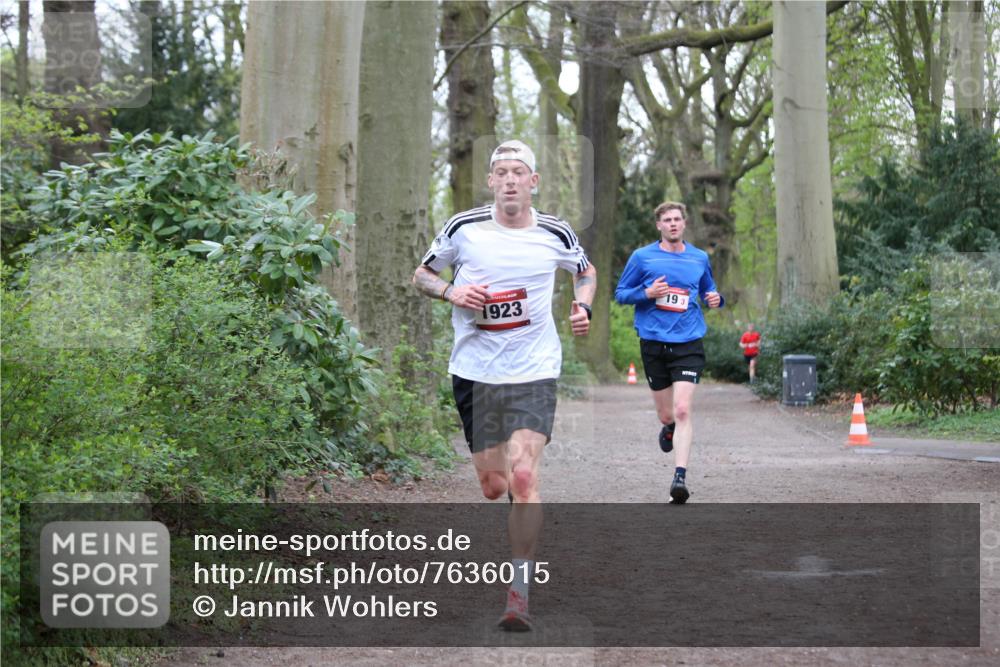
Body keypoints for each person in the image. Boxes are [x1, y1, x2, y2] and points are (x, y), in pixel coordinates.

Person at [412, 139, 596, 631]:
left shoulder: (555, 232)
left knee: (523, 477)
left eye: (519, 171)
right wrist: (452, 290)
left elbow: (586, 272)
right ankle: (511, 501)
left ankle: (519, 594)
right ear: (490, 181)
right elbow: (422, 275)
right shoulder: (463, 229)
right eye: (501, 172)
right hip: (476, 372)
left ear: (533, 182)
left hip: (534, 369)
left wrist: (584, 305)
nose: (510, 179)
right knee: (494, 486)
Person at [614, 201, 723, 504]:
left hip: (689, 342)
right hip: (654, 342)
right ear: (659, 225)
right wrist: (646, 294)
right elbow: (621, 294)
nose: (673, 224)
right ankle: (669, 428)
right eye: (667, 220)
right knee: (666, 414)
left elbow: (708, 290)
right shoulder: (642, 257)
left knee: (684, 408)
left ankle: (680, 476)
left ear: (684, 223)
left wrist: (716, 299)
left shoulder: (699, 258)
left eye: (677, 219)